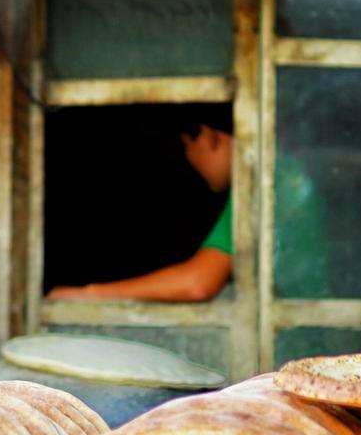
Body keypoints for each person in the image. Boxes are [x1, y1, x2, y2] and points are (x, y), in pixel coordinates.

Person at [45, 107, 234, 302]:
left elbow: (198, 284)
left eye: (187, 147)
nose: (191, 160)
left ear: (210, 137)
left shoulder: (252, 194)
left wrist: (87, 294)